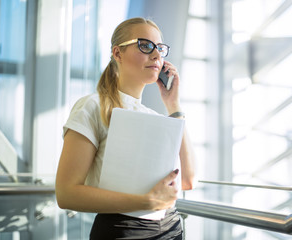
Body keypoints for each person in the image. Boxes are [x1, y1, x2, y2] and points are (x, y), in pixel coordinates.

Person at [55, 17, 196, 239]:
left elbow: (188, 179)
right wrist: (146, 202)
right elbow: (66, 193)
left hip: (171, 228)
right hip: (124, 231)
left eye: (160, 48)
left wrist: (173, 105)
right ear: (117, 53)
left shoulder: (155, 118)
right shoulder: (93, 106)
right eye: (145, 45)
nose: (157, 55)